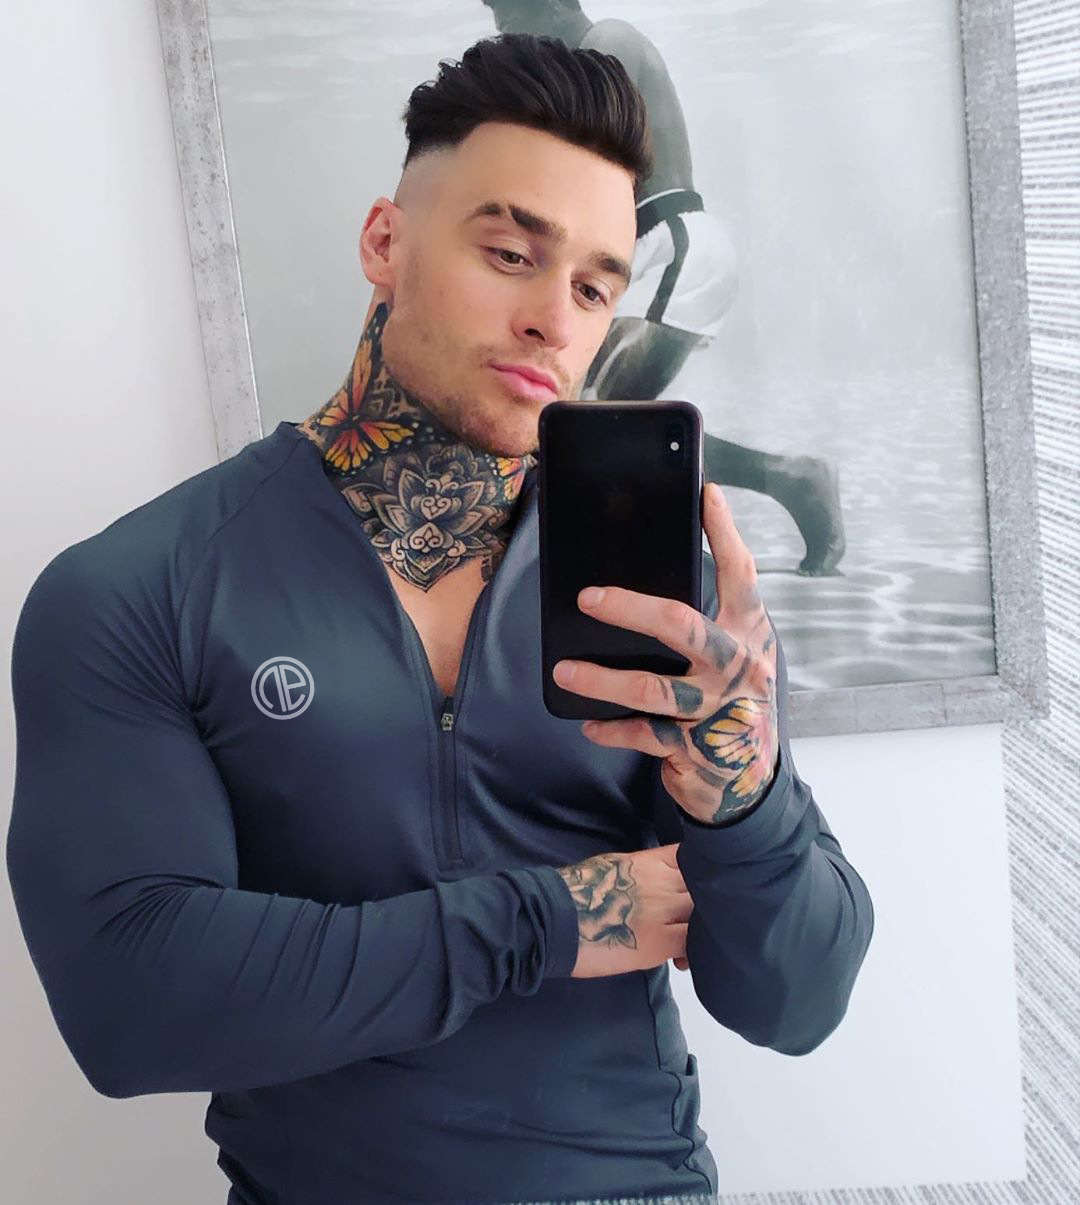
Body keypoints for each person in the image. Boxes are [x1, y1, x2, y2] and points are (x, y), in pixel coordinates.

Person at [6, 32, 874, 1205]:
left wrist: (745, 796)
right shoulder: (139, 586)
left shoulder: (671, 598)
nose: (554, 320)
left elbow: (799, 1000)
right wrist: (557, 918)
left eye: (595, 287)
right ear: (385, 241)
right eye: (512, 253)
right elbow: (132, 1002)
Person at [483, 0, 848, 577]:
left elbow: (576, 147)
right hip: (647, 253)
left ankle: (786, 483)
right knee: (585, 420)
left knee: (597, 422)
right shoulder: (590, 55)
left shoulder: (609, 40)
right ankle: (788, 480)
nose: (505, 36)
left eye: (508, 21)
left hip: (675, 242)